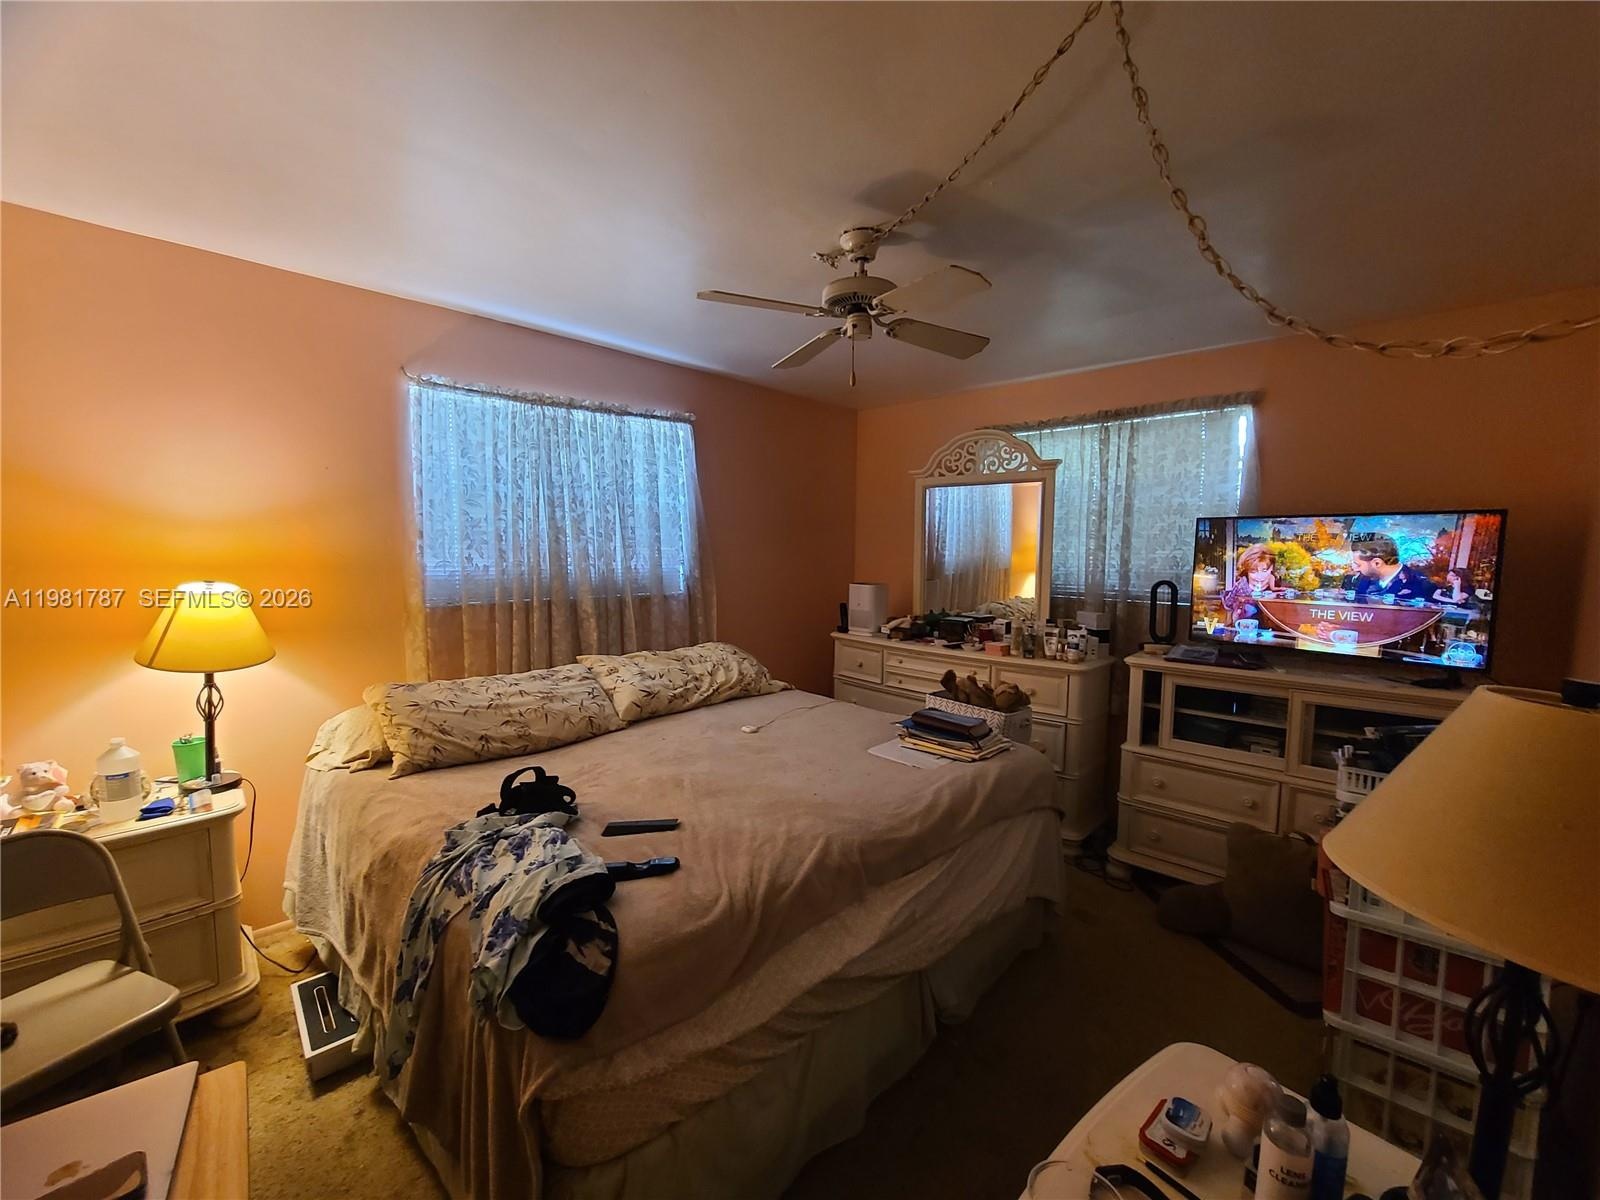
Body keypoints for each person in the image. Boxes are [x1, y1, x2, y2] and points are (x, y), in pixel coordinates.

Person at [1348, 534, 1436, 602]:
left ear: (1377, 563)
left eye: (1358, 565)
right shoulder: (1361, 581)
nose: (1355, 569)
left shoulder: (1422, 585)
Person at [1221, 543, 1278, 623]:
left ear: (1272, 567)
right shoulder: (1240, 587)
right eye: (1253, 571)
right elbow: (1228, 605)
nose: (1259, 576)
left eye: (1264, 570)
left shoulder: (1278, 587)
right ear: (1247, 570)